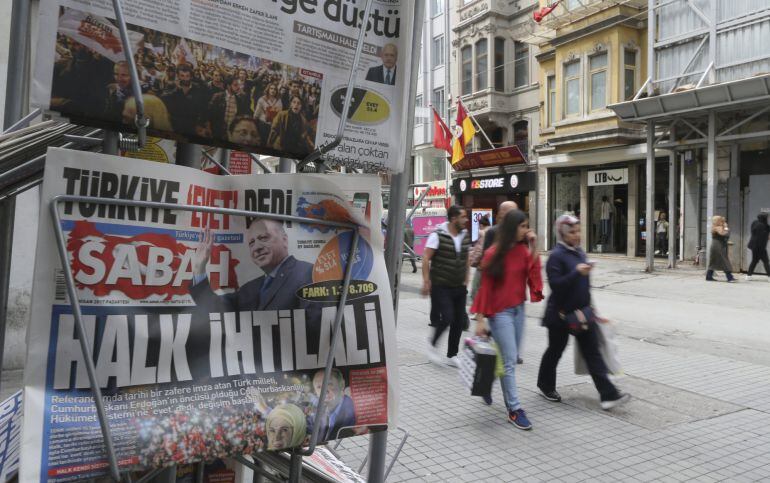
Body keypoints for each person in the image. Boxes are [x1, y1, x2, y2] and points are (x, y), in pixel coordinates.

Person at [537, 214, 631, 411]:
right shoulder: (556, 256)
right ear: (562, 233)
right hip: (560, 316)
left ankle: (608, 395)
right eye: (572, 232)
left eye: (578, 231)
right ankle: (545, 385)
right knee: (555, 351)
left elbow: (584, 286)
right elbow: (556, 286)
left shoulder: (579, 252)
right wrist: (576, 272)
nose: (577, 235)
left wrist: (594, 311)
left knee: (593, 353)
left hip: (583, 314)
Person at [472, 210, 543, 429]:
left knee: (508, 358)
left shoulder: (523, 250)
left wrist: (534, 245)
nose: (526, 230)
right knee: (510, 360)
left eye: (527, 226)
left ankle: (486, 382)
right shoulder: (493, 253)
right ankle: (514, 409)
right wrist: (480, 319)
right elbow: (485, 288)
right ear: (512, 227)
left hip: (518, 310)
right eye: (522, 226)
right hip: (499, 313)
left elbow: (534, 274)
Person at [189, 218, 314, 313]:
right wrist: (199, 269)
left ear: (284, 240)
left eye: (264, 238)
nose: (257, 247)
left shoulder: (309, 273)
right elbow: (214, 309)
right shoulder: (249, 289)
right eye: (251, 243)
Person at [421, 206, 471, 367]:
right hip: (440, 285)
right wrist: (426, 281)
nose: (466, 220)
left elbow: (466, 258)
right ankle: (432, 345)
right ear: (454, 218)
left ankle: (452, 355)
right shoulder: (437, 235)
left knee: (459, 321)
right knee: (448, 317)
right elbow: (426, 258)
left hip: (459, 286)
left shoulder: (465, 235)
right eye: (463, 217)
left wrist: (467, 278)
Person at [161, 63, 208, 135]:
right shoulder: (171, 86)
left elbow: (203, 108)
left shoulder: (197, 88)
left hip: (192, 126)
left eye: (187, 76)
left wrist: (200, 124)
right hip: (176, 125)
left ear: (191, 76)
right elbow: (163, 100)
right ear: (178, 76)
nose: (185, 78)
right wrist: (176, 89)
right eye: (182, 76)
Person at [310, 369, 356, 441]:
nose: (324, 390)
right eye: (319, 387)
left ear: (342, 384)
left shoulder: (354, 410)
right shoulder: (317, 413)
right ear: (315, 393)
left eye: (329, 384)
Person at [209, 74, 252, 139]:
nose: (238, 87)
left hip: (230, 133)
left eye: (238, 85)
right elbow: (210, 114)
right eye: (235, 85)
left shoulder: (239, 99)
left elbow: (242, 114)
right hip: (216, 131)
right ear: (228, 86)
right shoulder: (218, 97)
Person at [468, 214, 491, 302]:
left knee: (475, 288)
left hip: (482, 264)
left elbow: (479, 250)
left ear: (481, 225)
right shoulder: (492, 231)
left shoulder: (482, 232)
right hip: (491, 264)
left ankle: (479, 309)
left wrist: (473, 261)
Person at [706, 215, 735, 282]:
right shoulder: (717, 227)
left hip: (718, 245)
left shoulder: (717, 227)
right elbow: (724, 234)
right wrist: (726, 227)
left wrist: (725, 227)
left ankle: (709, 276)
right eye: (721, 220)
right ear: (718, 221)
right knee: (724, 261)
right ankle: (729, 277)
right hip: (718, 246)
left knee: (714, 262)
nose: (723, 221)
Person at [746, 213, 770, 281]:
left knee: (754, 260)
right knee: (766, 261)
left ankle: (748, 276)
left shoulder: (755, 223)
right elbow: (763, 237)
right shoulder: (764, 226)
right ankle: (769, 276)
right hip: (760, 247)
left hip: (753, 246)